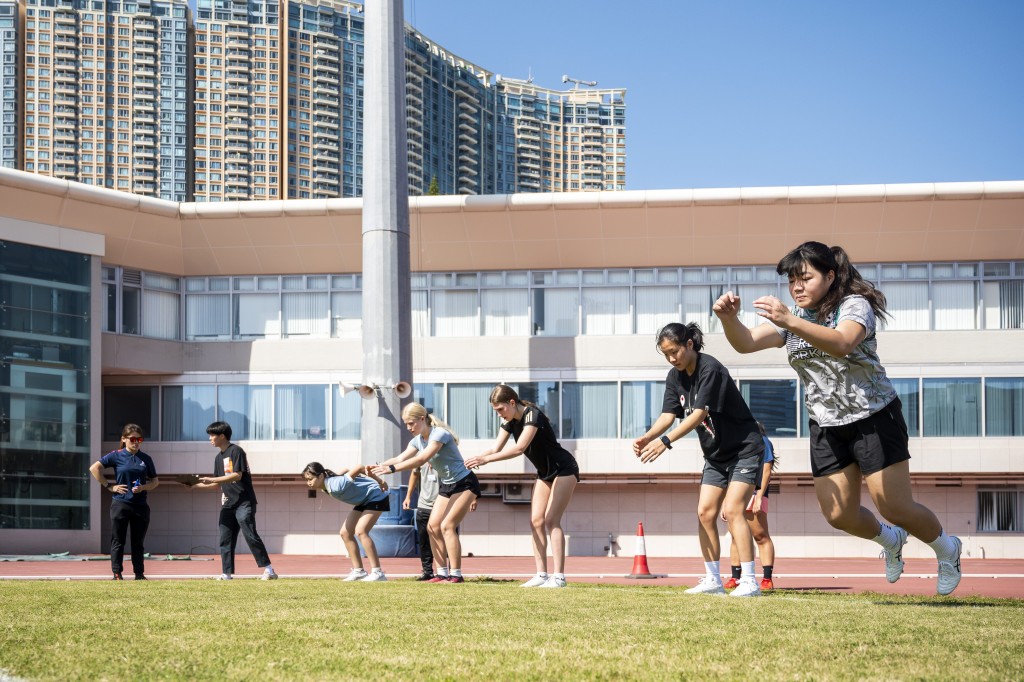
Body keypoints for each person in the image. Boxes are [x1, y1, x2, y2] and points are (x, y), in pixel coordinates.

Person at [713, 241, 962, 595]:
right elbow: (746, 342)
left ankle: (948, 550)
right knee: (838, 515)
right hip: (826, 425)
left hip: (873, 415)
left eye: (805, 278)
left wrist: (789, 320)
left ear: (830, 276)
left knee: (894, 505)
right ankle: (891, 541)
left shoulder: (853, 306)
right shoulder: (794, 319)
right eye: (791, 281)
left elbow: (843, 342)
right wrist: (728, 320)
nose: (797, 287)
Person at [632, 322, 765, 598]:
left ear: (689, 345)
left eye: (674, 352)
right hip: (716, 455)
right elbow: (669, 415)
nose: (671, 359)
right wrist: (648, 437)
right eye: (666, 354)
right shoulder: (675, 376)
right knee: (705, 513)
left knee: (734, 510)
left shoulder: (710, 369)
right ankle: (712, 579)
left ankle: (749, 581)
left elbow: (699, 414)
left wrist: (666, 442)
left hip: (744, 449)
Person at [465, 385, 580, 589]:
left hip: (564, 469)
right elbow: (495, 448)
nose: (499, 414)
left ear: (511, 402)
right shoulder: (509, 422)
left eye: (500, 409)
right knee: (535, 521)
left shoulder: (532, 416)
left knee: (551, 520)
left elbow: (519, 449)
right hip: (545, 473)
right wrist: (478, 458)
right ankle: (541, 575)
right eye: (495, 411)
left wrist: (486, 460)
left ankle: (559, 577)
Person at [371, 403, 480, 584]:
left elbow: (421, 459)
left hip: (465, 483)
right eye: (406, 424)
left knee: (447, 526)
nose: (409, 428)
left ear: (422, 419)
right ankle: (442, 573)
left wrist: (391, 469)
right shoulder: (416, 441)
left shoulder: (439, 434)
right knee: (432, 527)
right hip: (447, 485)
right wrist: (380, 466)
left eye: (411, 423)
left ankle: (456, 574)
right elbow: (400, 458)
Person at [193, 421, 278, 581]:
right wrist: (194, 486)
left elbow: (237, 475)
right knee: (225, 538)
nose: (210, 439)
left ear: (222, 436)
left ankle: (269, 570)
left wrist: (211, 479)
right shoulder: (218, 458)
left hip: (244, 501)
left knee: (249, 534)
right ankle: (227, 573)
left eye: (212, 435)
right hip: (228, 504)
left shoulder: (236, 451)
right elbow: (216, 485)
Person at [89, 424, 159, 580]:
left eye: (139, 439)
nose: (136, 442)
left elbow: (155, 482)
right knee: (117, 540)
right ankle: (117, 573)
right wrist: (109, 486)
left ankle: (139, 574)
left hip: (140, 505)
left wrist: (143, 487)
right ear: (124, 439)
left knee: (138, 542)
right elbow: (94, 468)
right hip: (120, 504)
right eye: (132, 439)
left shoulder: (146, 459)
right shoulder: (116, 455)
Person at [302, 462, 391, 581]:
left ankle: (378, 573)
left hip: (376, 495)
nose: (308, 482)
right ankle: (359, 571)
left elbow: (359, 467)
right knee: (345, 533)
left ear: (321, 476)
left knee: (361, 531)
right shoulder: (327, 485)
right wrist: (338, 474)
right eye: (307, 480)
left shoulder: (335, 485)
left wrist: (381, 482)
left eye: (310, 479)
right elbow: (345, 469)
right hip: (364, 500)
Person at [723, 422, 778, 591]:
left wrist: (759, 496)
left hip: (755, 494)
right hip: (737, 495)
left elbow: (767, 470)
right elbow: (729, 474)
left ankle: (767, 579)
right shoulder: (737, 445)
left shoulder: (763, 442)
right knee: (734, 537)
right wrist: (725, 501)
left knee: (760, 535)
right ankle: (735, 577)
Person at [404, 462, 440, 581]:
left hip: (443, 505)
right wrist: (408, 496)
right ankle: (427, 571)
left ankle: (448, 572)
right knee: (424, 540)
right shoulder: (421, 457)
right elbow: (414, 474)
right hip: (424, 505)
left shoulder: (449, 456)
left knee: (444, 539)